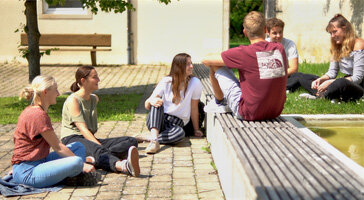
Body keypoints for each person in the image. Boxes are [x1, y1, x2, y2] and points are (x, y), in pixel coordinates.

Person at [11, 75, 97, 188]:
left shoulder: (33, 110)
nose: (58, 93)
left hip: (38, 161)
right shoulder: (38, 115)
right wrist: (83, 165)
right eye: (55, 89)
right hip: (28, 172)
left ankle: (73, 175)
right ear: (45, 92)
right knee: (76, 161)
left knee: (78, 146)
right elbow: (58, 147)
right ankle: (75, 174)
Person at [202, 11, 288, 121]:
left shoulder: (244, 52)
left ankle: (219, 102)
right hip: (275, 111)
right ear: (266, 30)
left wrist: (227, 60)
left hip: (248, 113)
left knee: (215, 65)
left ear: (245, 32)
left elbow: (205, 60)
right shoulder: (279, 49)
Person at [60, 66, 140, 176]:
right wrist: (99, 147)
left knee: (131, 141)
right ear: (83, 80)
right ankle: (123, 166)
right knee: (99, 150)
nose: (99, 80)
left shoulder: (94, 99)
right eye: (95, 77)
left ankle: (93, 160)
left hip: (88, 138)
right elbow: (83, 130)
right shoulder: (73, 100)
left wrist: (99, 147)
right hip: (73, 139)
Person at [286, 14, 364, 102]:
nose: (332, 36)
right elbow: (332, 72)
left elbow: (358, 78)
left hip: (357, 86)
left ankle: (320, 96)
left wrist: (330, 82)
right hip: (341, 84)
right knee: (301, 76)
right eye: (331, 33)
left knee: (341, 82)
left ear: (344, 28)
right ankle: (280, 88)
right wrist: (321, 80)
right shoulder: (336, 46)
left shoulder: (359, 44)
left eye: (335, 31)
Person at [144, 53, 203, 154]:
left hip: (177, 125)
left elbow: (194, 108)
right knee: (156, 103)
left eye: (191, 63)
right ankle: (154, 142)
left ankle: (151, 137)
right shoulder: (166, 81)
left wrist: (196, 129)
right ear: (179, 67)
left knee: (180, 134)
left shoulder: (195, 83)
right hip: (158, 120)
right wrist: (151, 101)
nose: (191, 66)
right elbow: (147, 104)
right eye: (188, 64)